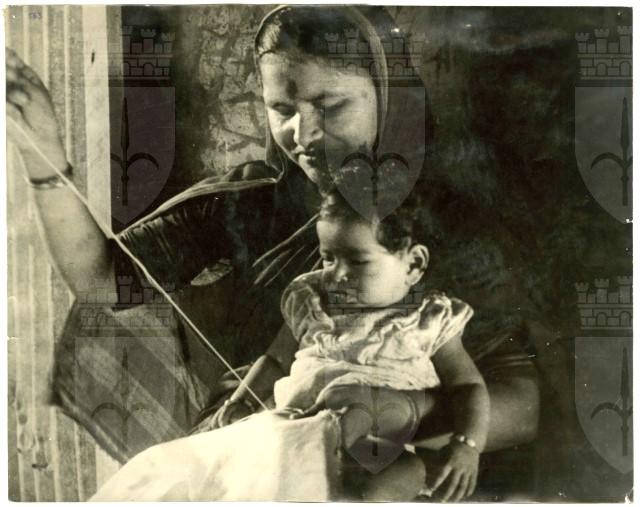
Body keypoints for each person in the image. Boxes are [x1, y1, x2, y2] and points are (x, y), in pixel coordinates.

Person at [6, 4, 539, 498]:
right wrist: (46, 164)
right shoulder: (247, 203)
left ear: (389, 96)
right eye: (281, 109)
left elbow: (525, 402)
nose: (302, 133)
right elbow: (104, 284)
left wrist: (399, 410)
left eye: (329, 106)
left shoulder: (445, 225)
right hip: (258, 458)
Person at [90, 184, 489, 501]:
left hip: (376, 441)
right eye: (328, 258)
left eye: (357, 261)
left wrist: (468, 444)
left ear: (413, 264)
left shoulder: (429, 319)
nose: (337, 275)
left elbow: (468, 386)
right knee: (189, 472)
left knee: (404, 473)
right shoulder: (312, 300)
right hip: (296, 430)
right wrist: (242, 401)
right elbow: (276, 360)